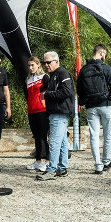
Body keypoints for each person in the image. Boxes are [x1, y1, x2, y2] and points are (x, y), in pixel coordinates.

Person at [77, 44, 111, 175]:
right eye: (104, 54)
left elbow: (80, 90)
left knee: (94, 136)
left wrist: (84, 103)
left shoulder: (83, 70)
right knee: (107, 135)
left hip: (91, 107)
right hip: (106, 105)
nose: (104, 57)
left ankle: (98, 165)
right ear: (101, 53)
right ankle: (106, 161)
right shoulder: (106, 68)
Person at [37, 51, 75, 181]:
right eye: (44, 63)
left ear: (56, 61)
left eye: (48, 62)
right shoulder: (53, 75)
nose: (46, 65)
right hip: (57, 112)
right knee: (63, 142)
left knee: (53, 142)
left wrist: (47, 94)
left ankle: (52, 169)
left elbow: (67, 91)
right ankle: (62, 167)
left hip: (60, 112)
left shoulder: (62, 73)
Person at [25, 58, 49, 173]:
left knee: (45, 136)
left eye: (33, 65)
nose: (30, 68)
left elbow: (49, 92)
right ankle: (38, 161)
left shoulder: (44, 77)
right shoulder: (28, 79)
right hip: (31, 111)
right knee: (37, 137)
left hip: (42, 110)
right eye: (29, 65)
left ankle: (48, 161)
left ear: (38, 65)